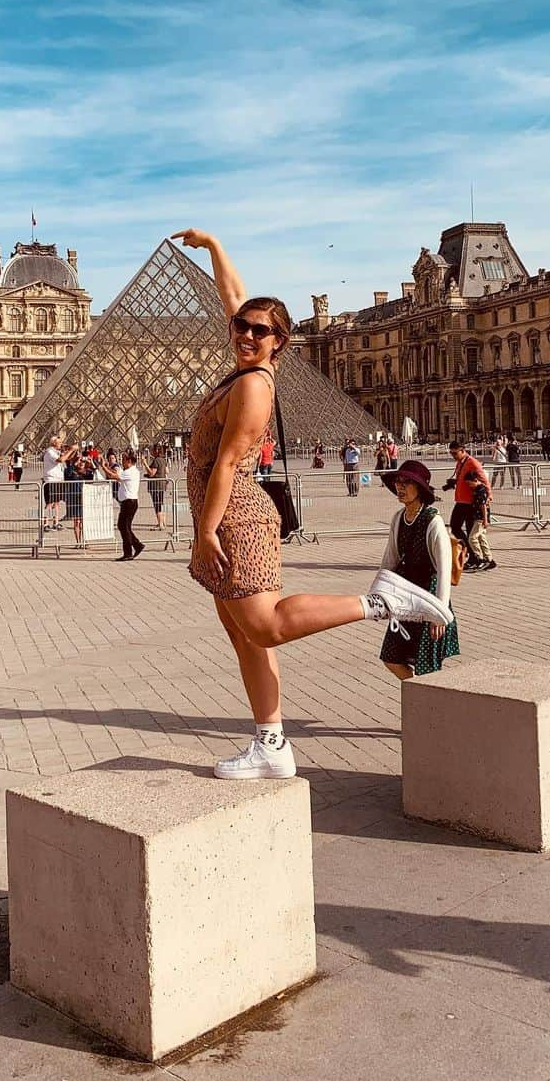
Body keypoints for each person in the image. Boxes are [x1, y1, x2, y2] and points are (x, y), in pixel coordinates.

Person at [173, 227, 448, 782]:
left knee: (267, 626)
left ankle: (381, 603)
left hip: (236, 516)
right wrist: (215, 247)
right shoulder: (246, 362)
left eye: (261, 330)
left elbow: (226, 464)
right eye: (242, 326)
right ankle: (271, 743)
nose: (247, 333)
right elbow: (235, 298)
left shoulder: (254, 386)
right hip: (227, 514)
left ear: (280, 342)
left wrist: (205, 532)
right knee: (244, 632)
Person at [376, 460, 459, 677]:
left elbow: (443, 569)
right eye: (398, 482)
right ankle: (420, 698)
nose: (400, 487)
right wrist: (376, 596)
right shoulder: (398, 518)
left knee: (427, 668)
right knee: (391, 658)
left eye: (406, 482)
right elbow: (390, 560)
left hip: (430, 599)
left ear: (420, 488)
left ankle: (429, 705)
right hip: (405, 598)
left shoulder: (433, 521)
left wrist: (439, 614)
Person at [442, 440, 491, 555]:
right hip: (460, 499)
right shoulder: (459, 463)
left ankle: (474, 556)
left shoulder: (473, 463)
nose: (453, 456)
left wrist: (488, 496)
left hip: (470, 502)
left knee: (468, 530)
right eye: (451, 453)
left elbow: (484, 481)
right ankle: (470, 551)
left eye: (455, 453)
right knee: (455, 527)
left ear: (462, 451)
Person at [101, 448, 144, 560]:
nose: (122, 462)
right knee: (124, 526)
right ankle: (136, 546)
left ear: (129, 461)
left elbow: (113, 476)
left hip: (129, 502)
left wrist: (104, 467)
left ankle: (130, 550)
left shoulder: (130, 472)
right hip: (128, 502)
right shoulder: (131, 471)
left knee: (124, 526)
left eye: (124, 460)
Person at [144, 443, 169, 530]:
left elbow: (151, 473)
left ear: (156, 450)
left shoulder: (156, 460)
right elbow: (167, 471)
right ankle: (163, 522)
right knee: (161, 503)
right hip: (162, 484)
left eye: (152, 450)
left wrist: (145, 464)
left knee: (157, 504)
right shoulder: (163, 460)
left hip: (155, 486)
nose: (151, 452)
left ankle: (160, 524)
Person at [42, 436, 65, 529]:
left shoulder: (57, 452)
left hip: (57, 480)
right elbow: (60, 460)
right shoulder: (49, 452)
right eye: (59, 442)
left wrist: (70, 451)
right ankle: (45, 523)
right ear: (54, 443)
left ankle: (56, 522)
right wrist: (71, 450)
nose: (61, 444)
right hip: (50, 480)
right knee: (49, 503)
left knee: (56, 503)